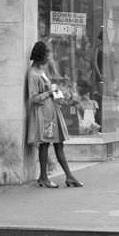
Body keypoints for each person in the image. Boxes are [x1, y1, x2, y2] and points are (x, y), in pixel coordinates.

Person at [27, 41, 82, 188]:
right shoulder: (32, 74)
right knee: (45, 144)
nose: (48, 58)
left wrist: (59, 95)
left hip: (52, 110)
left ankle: (69, 176)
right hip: (43, 112)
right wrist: (49, 92)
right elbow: (33, 98)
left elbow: (50, 89)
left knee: (59, 143)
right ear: (40, 55)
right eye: (46, 54)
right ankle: (43, 177)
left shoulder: (42, 72)